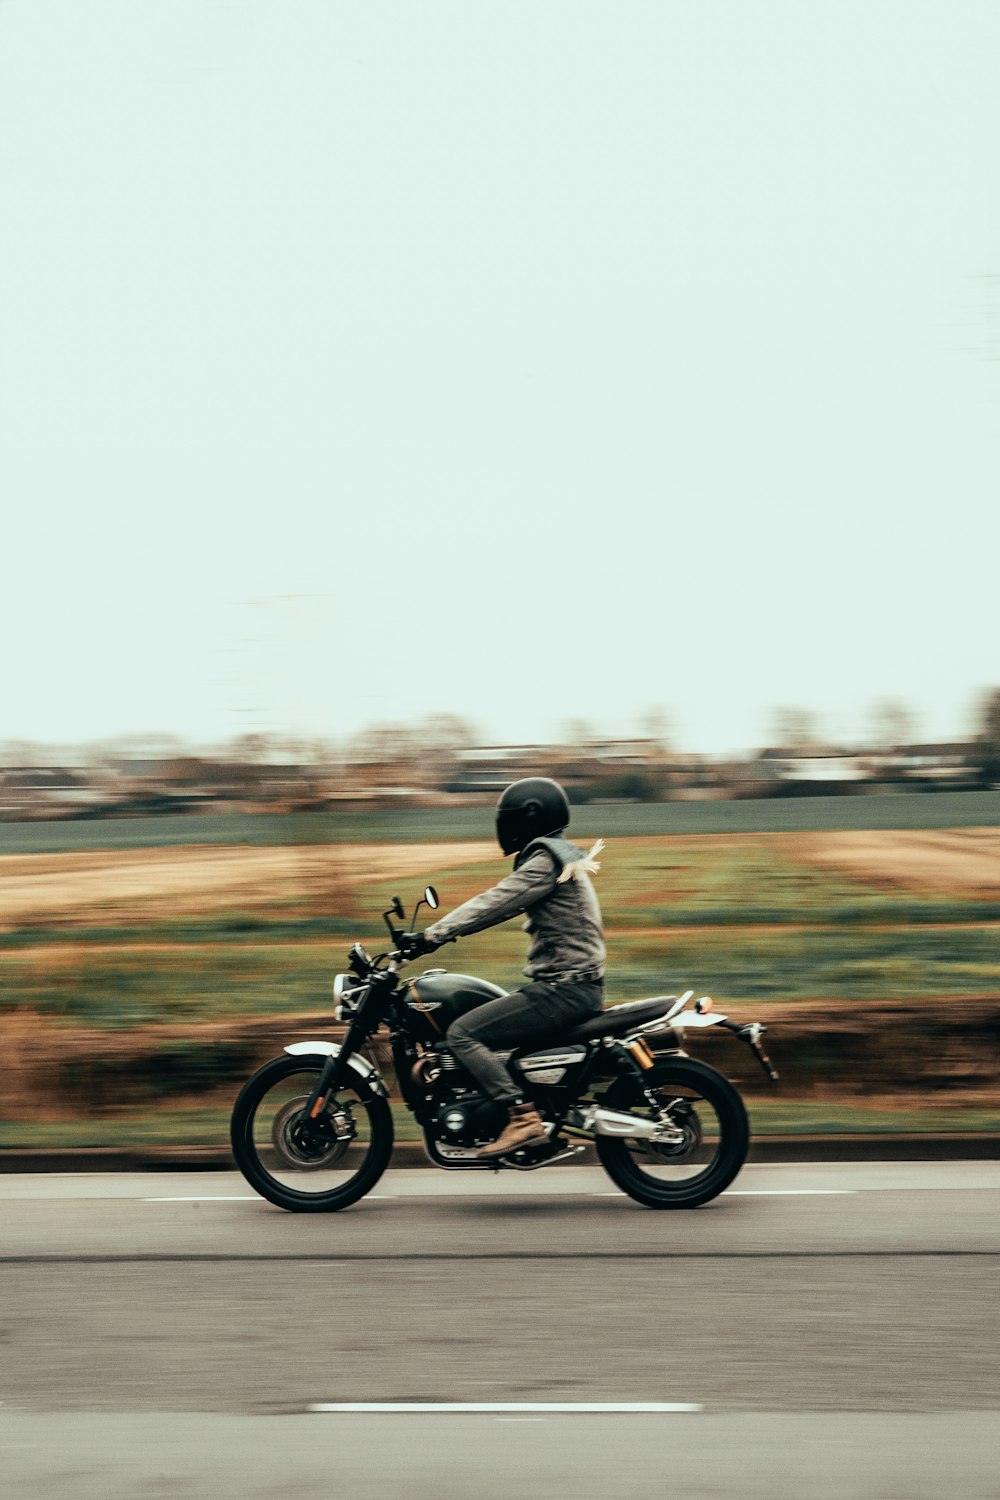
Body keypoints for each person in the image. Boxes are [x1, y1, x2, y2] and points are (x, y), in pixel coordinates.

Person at [404, 777, 607, 1159]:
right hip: (570, 985)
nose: (503, 826)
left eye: (508, 818)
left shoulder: (546, 860)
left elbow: (495, 902)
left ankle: (522, 1119)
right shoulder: (557, 855)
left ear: (531, 816)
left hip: (564, 989)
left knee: (462, 1032)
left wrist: (432, 936)